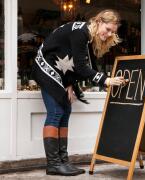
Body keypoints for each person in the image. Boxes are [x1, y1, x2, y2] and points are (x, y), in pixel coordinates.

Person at [31, 9, 126, 176]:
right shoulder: (81, 33)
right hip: (45, 67)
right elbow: (82, 67)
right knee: (56, 112)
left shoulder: (87, 37)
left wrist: (68, 83)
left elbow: (72, 62)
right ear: (98, 22)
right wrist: (106, 80)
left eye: (113, 32)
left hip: (59, 73)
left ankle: (63, 161)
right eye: (108, 29)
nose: (109, 34)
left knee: (65, 111)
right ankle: (53, 164)